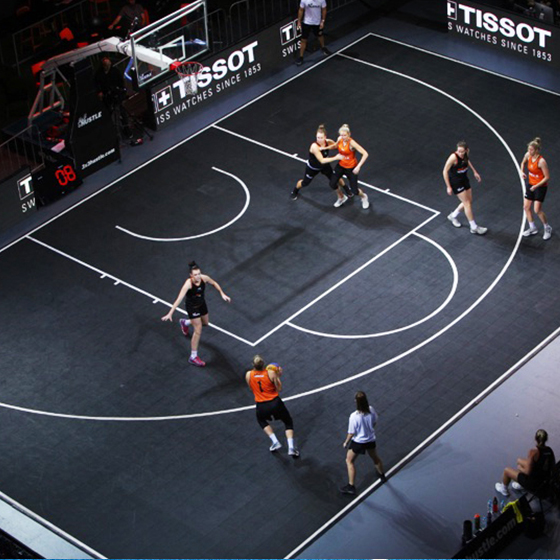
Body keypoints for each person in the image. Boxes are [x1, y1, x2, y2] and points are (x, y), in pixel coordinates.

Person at [161, 261, 231, 367]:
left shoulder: (204, 278)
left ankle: (185, 323)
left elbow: (214, 283)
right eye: (195, 275)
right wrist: (170, 313)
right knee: (198, 329)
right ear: (191, 275)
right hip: (192, 307)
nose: (198, 276)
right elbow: (179, 299)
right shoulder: (188, 284)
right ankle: (193, 357)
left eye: (199, 274)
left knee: (205, 323)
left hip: (201, 304)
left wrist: (222, 293)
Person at [246, 356, 299, 458]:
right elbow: (279, 388)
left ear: (253, 365)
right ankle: (291, 447)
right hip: (275, 403)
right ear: (263, 364)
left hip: (261, 404)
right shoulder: (270, 373)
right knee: (288, 422)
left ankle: (274, 441)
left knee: (261, 421)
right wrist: (278, 376)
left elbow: (251, 387)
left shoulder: (248, 375)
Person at [340, 391, 386, 495]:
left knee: (349, 461)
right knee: (375, 458)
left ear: (356, 402)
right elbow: (375, 421)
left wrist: (346, 442)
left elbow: (351, 432)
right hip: (370, 440)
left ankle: (351, 486)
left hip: (358, 442)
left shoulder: (354, 416)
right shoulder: (371, 410)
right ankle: (382, 476)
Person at [290, 124, 348, 205]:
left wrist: (340, 141)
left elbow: (336, 147)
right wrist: (336, 157)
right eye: (318, 137)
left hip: (325, 166)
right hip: (313, 168)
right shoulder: (314, 146)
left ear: (325, 137)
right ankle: (295, 191)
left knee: (335, 179)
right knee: (305, 183)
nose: (319, 139)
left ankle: (345, 193)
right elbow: (322, 160)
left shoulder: (328, 142)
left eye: (321, 138)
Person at [443, 141, 487, 235]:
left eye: (461, 151)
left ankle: (453, 216)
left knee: (469, 201)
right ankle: (473, 227)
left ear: (466, 151)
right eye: (458, 151)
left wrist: (475, 171)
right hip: (456, 182)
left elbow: (467, 161)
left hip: (464, 179)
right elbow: (445, 171)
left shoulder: (465, 155)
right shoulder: (453, 157)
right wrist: (448, 186)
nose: (459, 153)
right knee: (467, 203)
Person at [495, 429, 555, 496]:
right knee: (519, 460)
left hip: (534, 485)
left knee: (507, 470)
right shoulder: (549, 450)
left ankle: (503, 489)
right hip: (545, 482)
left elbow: (527, 472)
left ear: (536, 439)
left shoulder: (533, 452)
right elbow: (552, 466)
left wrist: (520, 468)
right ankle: (520, 485)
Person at [328, 124, 370, 209]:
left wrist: (358, 167)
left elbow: (365, 154)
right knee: (332, 184)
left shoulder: (352, 143)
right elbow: (335, 146)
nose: (343, 137)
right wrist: (325, 146)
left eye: (345, 135)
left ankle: (364, 197)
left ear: (349, 134)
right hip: (341, 165)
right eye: (342, 135)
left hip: (351, 168)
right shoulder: (339, 139)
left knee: (355, 191)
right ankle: (341, 197)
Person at [520, 137, 552, 240]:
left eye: (531, 150)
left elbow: (547, 177)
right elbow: (523, 163)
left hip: (540, 187)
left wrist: (536, 186)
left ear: (537, 150)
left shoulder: (541, 161)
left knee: (537, 210)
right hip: (531, 185)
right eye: (528, 149)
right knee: (526, 207)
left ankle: (547, 227)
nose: (529, 151)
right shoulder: (527, 155)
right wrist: (522, 171)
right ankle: (532, 228)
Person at [296, 0, 331, 66]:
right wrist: (299, 22)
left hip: (317, 22)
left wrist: (323, 21)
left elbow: (324, 9)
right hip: (307, 23)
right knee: (303, 39)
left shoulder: (322, 0)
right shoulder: (304, 0)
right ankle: (301, 57)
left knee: (320, 36)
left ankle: (323, 47)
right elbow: (301, 10)